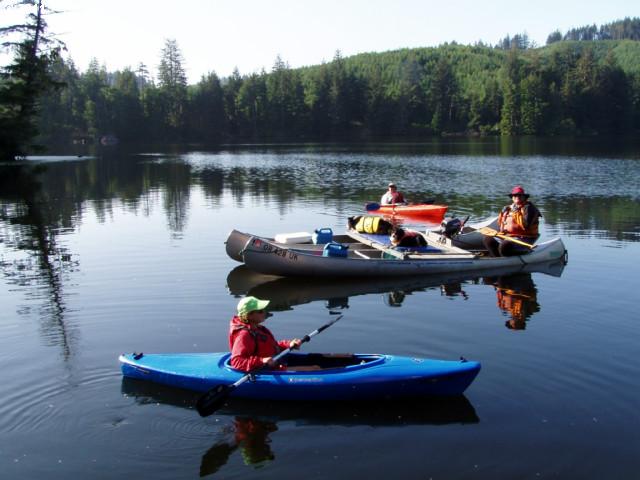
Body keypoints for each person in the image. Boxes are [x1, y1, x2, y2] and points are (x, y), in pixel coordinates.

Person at [229, 296, 302, 372]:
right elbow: (236, 361)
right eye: (260, 311)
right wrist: (261, 361)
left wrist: (289, 344)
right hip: (266, 369)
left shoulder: (258, 328)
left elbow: (272, 346)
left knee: (310, 359)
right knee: (310, 368)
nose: (264, 312)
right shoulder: (244, 335)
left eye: (264, 310)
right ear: (249, 315)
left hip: (275, 362)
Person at [483, 185, 541, 257]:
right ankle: (497, 258)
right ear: (512, 198)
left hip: (525, 237)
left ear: (524, 197)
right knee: (488, 240)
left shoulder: (529, 208)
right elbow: (501, 224)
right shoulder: (509, 208)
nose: (517, 197)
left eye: (520, 195)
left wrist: (516, 212)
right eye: (515, 195)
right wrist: (503, 213)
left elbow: (526, 225)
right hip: (509, 236)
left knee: (504, 246)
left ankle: (523, 252)